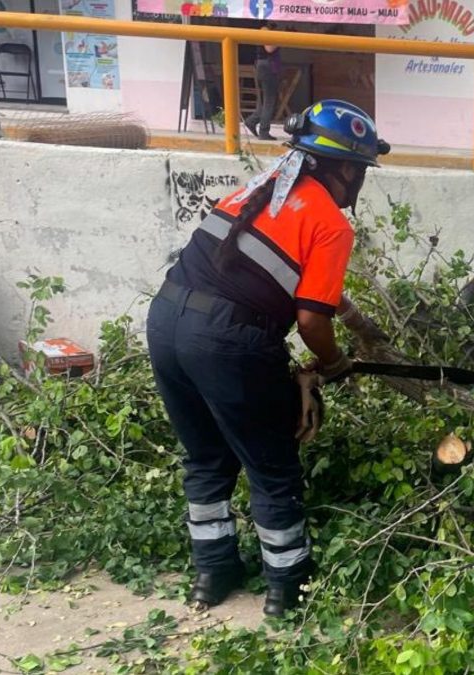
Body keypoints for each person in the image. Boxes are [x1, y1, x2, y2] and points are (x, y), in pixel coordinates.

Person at [147, 99, 389, 617]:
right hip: (225, 342)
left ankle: (211, 573)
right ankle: (287, 589)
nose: (361, 180)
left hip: (166, 322)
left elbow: (284, 277)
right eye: (362, 169)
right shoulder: (330, 223)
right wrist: (334, 364)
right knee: (272, 467)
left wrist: (355, 320)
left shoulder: (256, 191)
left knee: (207, 457)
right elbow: (309, 322)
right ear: (345, 168)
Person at [244, 22, 280, 141]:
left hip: (265, 66)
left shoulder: (266, 30)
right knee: (269, 100)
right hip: (267, 66)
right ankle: (264, 131)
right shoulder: (264, 29)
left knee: (265, 100)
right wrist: (282, 39)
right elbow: (269, 48)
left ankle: (251, 121)